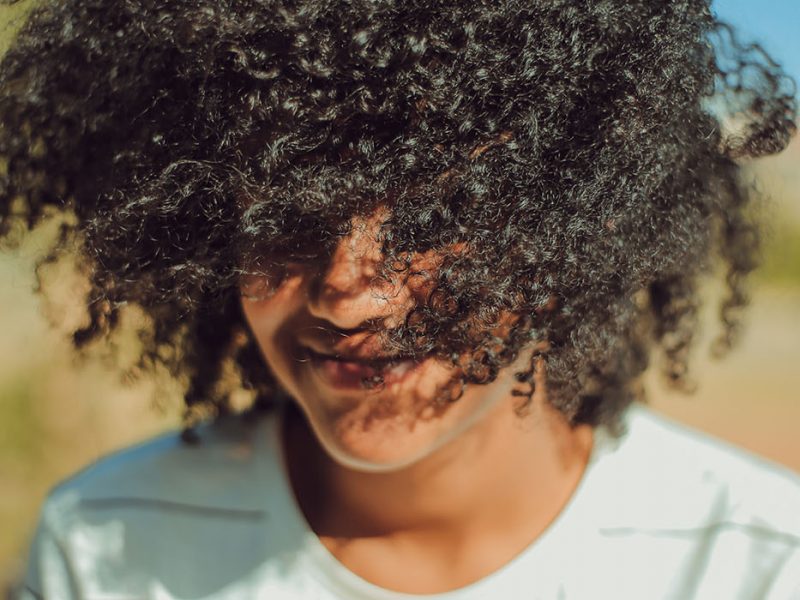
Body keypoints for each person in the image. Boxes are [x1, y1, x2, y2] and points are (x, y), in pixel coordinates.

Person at [2, 0, 799, 598]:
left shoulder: (751, 561)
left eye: (435, 215)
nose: (346, 294)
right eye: (285, 214)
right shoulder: (109, 544)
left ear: (582, 216)